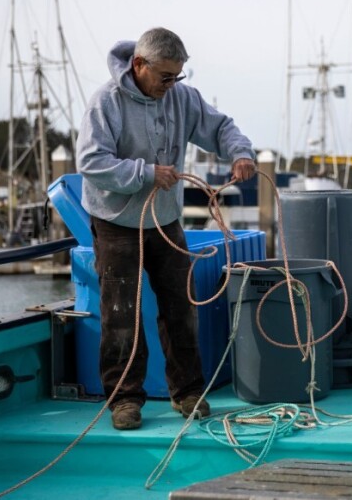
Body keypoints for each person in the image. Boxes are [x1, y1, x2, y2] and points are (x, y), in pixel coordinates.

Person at [76, 27, 256, 430]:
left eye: (178, 77)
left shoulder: (181, 97)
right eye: (165, 77)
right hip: (115, 223)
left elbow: (221, 127)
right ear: (139, 65)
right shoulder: (105, 102)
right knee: (121, 313)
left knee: (180, 306)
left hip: (166, 219)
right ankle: (124, 400)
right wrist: (144, 174)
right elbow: (90, 161)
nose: (171, 85)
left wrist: (241, 152)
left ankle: (188, 391)